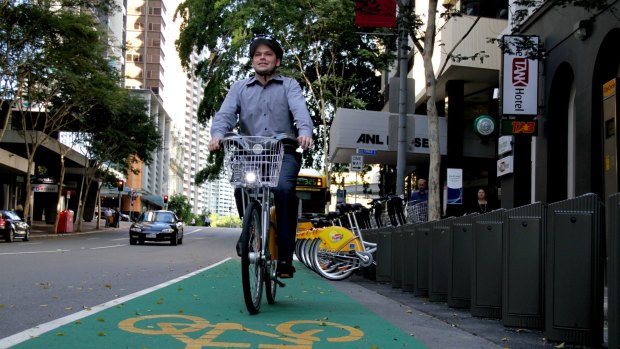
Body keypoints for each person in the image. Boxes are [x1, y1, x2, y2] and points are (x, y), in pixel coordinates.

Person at [208, 34, 313, 279]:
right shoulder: (239, 88)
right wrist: (217, 135)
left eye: (267, 54)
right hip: (250, 154)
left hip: (283, 151)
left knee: (284, 191)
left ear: (277, 61)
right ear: (252, 60)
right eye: (257, 55)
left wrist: (305, 132)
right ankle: (252, 230)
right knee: (240, 189)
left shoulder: (289, 85)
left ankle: (286, 257)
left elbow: (301, 112)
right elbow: (224, 115)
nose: (262, 58)